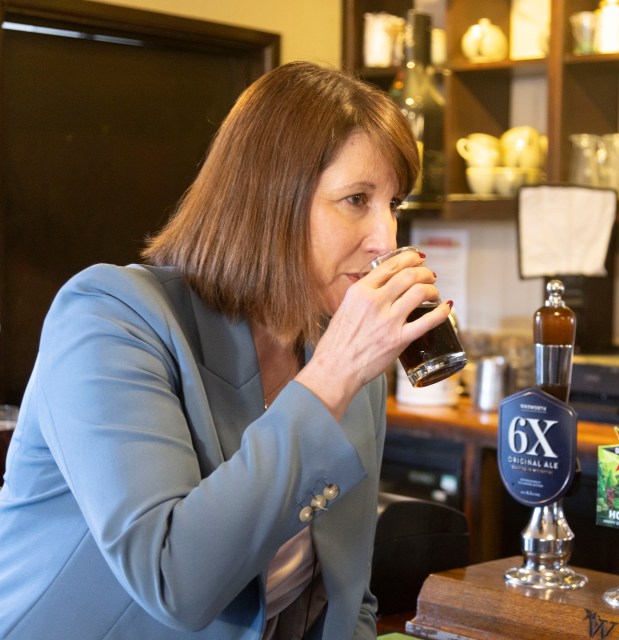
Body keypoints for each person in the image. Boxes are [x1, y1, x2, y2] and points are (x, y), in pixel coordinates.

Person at [0, 61, 451, 639]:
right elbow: (176, 583)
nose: (386, 240)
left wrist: (339, 372)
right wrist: (332, 379)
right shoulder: (109, 317)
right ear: (268, 201)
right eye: (357, 199)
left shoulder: (346, 363)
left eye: (394, 204)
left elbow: (345, 601)